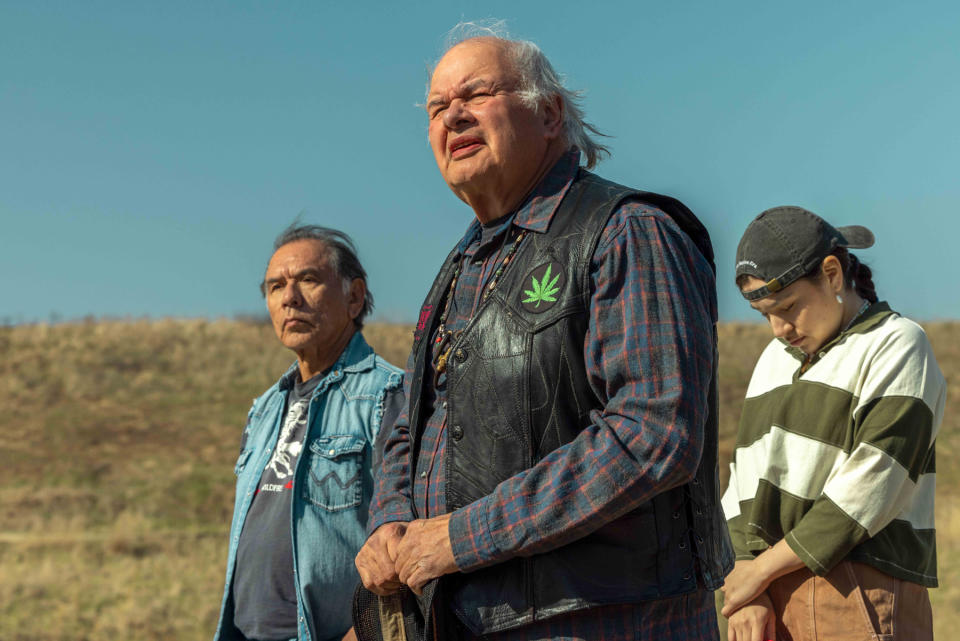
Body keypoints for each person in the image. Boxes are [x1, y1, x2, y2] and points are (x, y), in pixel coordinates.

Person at [354, 24, 733, 641]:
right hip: (466, 618)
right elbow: (408, 418)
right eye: (436, 109)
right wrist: (389, 523)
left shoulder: (627, 231)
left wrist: (458, 538)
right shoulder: (459, 267)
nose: (453, 117)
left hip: (606, 620)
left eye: (475, 95)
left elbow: (653, 433)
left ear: (549, 112)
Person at [720, 206, 945, 641]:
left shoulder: (896, 344)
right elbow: (741, 481)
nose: (778, 329)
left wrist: (759, 571)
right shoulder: (773, 359)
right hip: (767, 600)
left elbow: (872, 488)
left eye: (787, 307)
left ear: (832, 274)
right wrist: (747, 584)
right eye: (765, 314)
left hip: (857, 590)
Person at [214, 224, 404, 641]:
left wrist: (367, 633)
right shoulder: (263, 410)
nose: (289, 298)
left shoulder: (389, 396)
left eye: (308, 280)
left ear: (354, 297)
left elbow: (408, 539)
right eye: (275, 287)